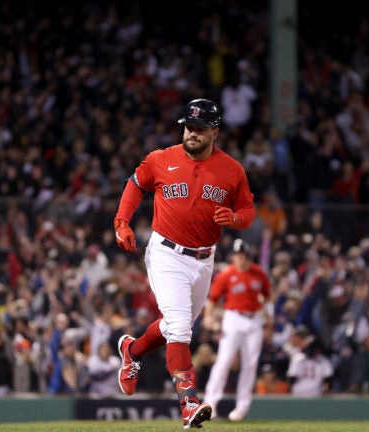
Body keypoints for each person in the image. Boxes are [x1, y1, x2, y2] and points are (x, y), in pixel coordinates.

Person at [113, 98, 256, 429]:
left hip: (205, 259)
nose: (192, 133)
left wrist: (234, 218)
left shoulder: (232, 170)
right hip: (166, 252)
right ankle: (189, 404)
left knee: (172, 328)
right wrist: (122, 221)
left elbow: (248, 211)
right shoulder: (161, 159)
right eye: (189, 127)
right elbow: (135, 184)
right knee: (179, 327)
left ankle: (132, 351)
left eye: (200, 129)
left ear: (214, 133)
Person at [203, 238, 271, 421]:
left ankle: (242, 408)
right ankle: (209, 404)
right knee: (224, 361)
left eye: (242, 255)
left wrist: (268, 319)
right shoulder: (226, 274)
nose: (240, 258)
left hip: (254, 319)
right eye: (237, 255)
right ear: (233, 256)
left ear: (247, 255)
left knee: (250, 364)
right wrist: (208, 317)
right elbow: (212, 300)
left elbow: (267, 296)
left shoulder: (258, 272)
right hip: (233, 318)